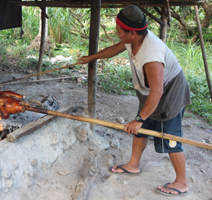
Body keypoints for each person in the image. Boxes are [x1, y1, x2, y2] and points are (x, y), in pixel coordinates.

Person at [78, 5, 191, 196]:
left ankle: (181, 181)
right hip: (151, 93)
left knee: (171, 138)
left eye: (119, 30)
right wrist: (91, 58)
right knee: (138, 130)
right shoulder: (134, 39)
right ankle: (133, 165)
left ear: (131, 32)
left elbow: (157, 92)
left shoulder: (151, 55)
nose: (116, 32)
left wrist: (139, 119)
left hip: (170, 94)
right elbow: (115, 49)